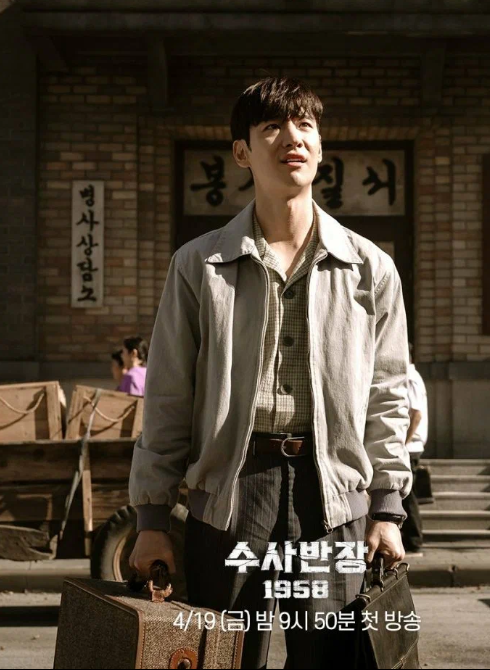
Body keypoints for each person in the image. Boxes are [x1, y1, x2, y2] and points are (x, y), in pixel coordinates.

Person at [128, 77, 412, 668]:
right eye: (272, 127)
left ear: (320, 146)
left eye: (306, 125)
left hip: (332, 497)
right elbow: (169, 395)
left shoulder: (370, 268)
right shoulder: (199, 265)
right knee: (224, 657)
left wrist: (387, 509)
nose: (293, 138)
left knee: (329, 659)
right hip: (232, 495)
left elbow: (387, 394)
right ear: (242, 152)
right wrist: (152, 517)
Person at [401, 343, 427, 554]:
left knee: (407, 495)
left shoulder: (410, 377)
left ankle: (414, 540)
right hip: (410, 446)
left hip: (409, 447)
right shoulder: (410, 376)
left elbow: (415, 414)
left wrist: (402, 443)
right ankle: (411, 539)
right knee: (406, 495)